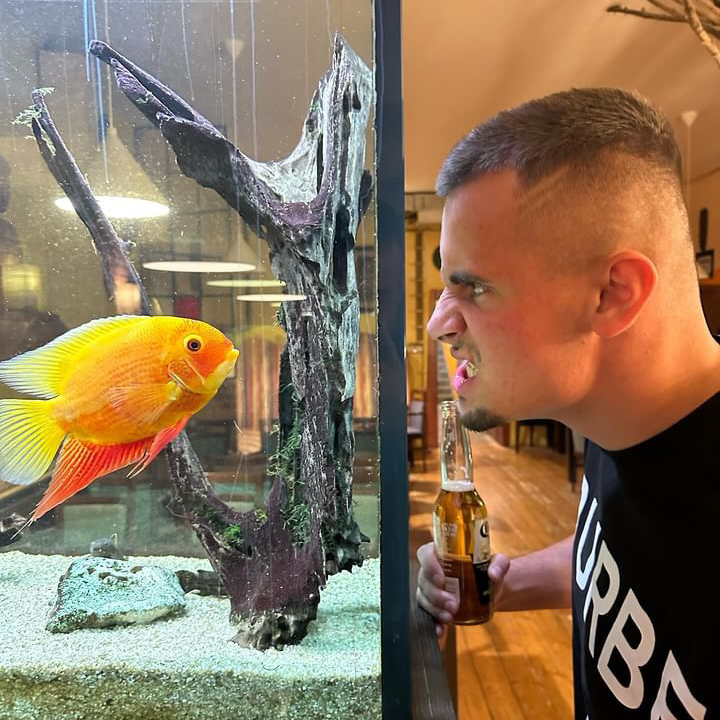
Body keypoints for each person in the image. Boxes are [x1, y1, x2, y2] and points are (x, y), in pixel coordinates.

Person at [416, 87, 719, 719]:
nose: (439, 324)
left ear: (613, 294)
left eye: (475, 288)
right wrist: (491, 585)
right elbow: (621, 554)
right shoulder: (623, 419)